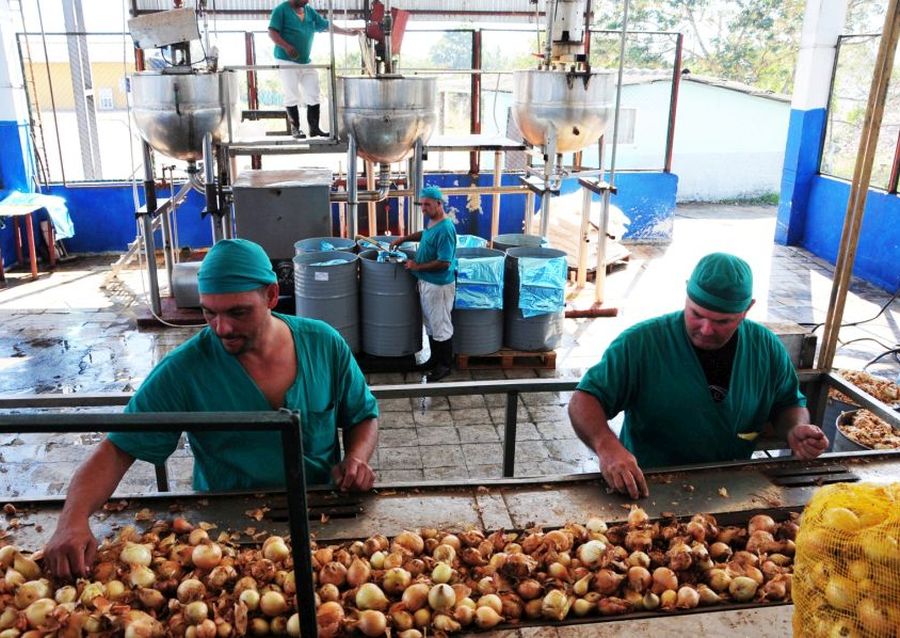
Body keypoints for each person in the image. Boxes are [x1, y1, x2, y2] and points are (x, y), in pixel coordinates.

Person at [44, 239, 379, 578]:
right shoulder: (186, 369)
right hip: (225, 534)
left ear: (271, 296)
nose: (222, 328)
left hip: (320, 515)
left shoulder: (323, 344)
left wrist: (356, 458)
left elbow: (362, 415)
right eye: (209, 312)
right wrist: (72, 519)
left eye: (238, 312)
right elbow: (117, 450)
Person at [569, 252, 829, 500]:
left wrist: (795, 428)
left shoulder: (765, 347)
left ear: (746, 310)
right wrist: (607, 446)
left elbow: (788, 403)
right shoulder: (641, 344)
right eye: (696, 314)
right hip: (648, 487)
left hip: (731, 489)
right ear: (686, 296)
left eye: (722, 321)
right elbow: (585, 399)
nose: (706, 329)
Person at [390, 186, 458, 382]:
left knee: (441, 325)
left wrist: (417, 266)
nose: (423, 208)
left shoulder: (446, 229)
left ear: (439, 203)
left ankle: (444, 365)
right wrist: (404, 238)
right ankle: (434, 360)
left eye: (427, 204)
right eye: (422, 204)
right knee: (430, 323)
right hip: (427, 282)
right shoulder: (434, 221)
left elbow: (444, 262)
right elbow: (425, 234)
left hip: (439, 286)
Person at [268, 0, 361, 138]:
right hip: (286, 59)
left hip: (306, 60)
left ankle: (314, 128)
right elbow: (272, 32)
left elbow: (326, 25)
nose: (307, 1)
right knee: (291, 93)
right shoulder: (281, 10)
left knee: (313, 91)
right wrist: (287, 47)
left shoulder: (309, 11)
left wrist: (347, 33)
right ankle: (295, 129)